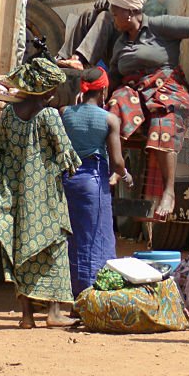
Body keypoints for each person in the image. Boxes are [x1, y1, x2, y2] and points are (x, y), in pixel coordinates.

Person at [0, 57, 81, 328]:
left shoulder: (7, 114)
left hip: (15, 191)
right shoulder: (48, 115)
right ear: (45, 90)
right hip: (45, 194)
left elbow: (1, 149)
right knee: (54, 247)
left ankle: (27, 316)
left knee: (20, 248)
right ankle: (53, 313)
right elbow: (67, 155)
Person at [106, 0, 189, 220]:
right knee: (116, 102)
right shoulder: (120, 43)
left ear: (130, 13)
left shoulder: (158, 25)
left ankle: (169, 191)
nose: (113, 19)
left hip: (165, 86)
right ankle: (117, 167)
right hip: (135, 90)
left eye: (116, 13)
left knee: (165, 116)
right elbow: (114, 74)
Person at [60, 66, 132, 297]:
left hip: (67, 181)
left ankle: (72, 291)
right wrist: (125, 174)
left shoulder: (65, 113)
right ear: (104, 91)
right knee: (97, 238)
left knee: (73, 238)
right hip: (93, 183)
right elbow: (117, 162)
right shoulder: (110, 119)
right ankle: (93, 294)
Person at [58, 0, 168, 69]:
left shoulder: (155, 8)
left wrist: (115, 10)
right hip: (115, 44)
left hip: (129, 51)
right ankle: (63, 57)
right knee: (89, 14)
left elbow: (139, 35)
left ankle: (81, 59)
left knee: (105, 16)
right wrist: (108, 7)